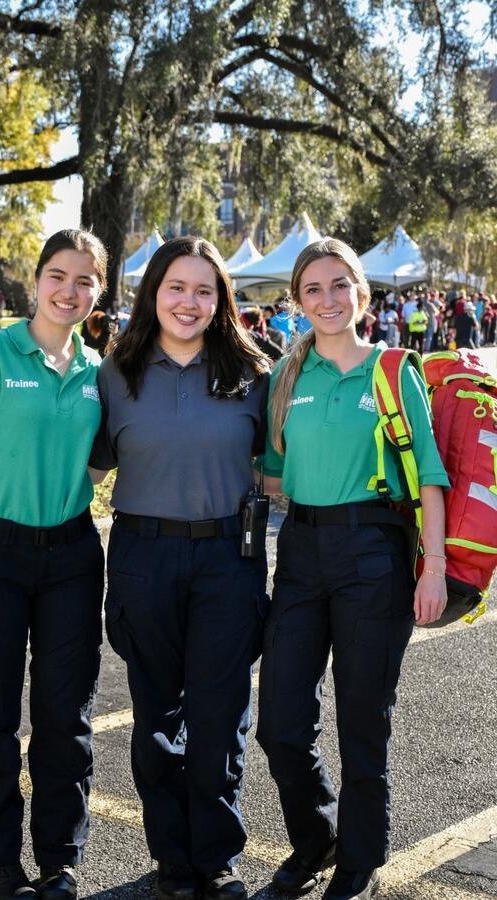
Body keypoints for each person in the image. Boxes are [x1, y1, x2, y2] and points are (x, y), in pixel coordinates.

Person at [256, 237, 449, 900]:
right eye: (313, 289)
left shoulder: (393, 369)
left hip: (375, 555)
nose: (328, 299)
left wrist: (434, 569)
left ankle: (360, 862)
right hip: (302, 553)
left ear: (361, 293)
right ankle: (317, 838)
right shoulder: (287, 376)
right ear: (297, 302)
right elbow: (272, 474)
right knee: (280, 720)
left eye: (340, 285)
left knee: (363, 720)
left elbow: (429, 474)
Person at [0, 229, 108, 900]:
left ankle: (60, 860)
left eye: (84, 280)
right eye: (59, 275)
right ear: (37, 281)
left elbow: (102, 455)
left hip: (71, 556)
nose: (70, 290)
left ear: (98, 291)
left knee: (66, 717)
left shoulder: (99, 372)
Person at [89, 236, 269, 900]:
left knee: (221, 718)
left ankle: (217, 857)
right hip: (144, 557)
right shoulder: (116, 373)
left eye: (204, 290)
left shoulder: (254, 371)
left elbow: (283, 468)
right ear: (152, 294)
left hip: (229, 558)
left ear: (220, 300)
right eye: (176, 288)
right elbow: (84, 469)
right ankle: (172, 858)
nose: (188, 302)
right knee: (157, 718)